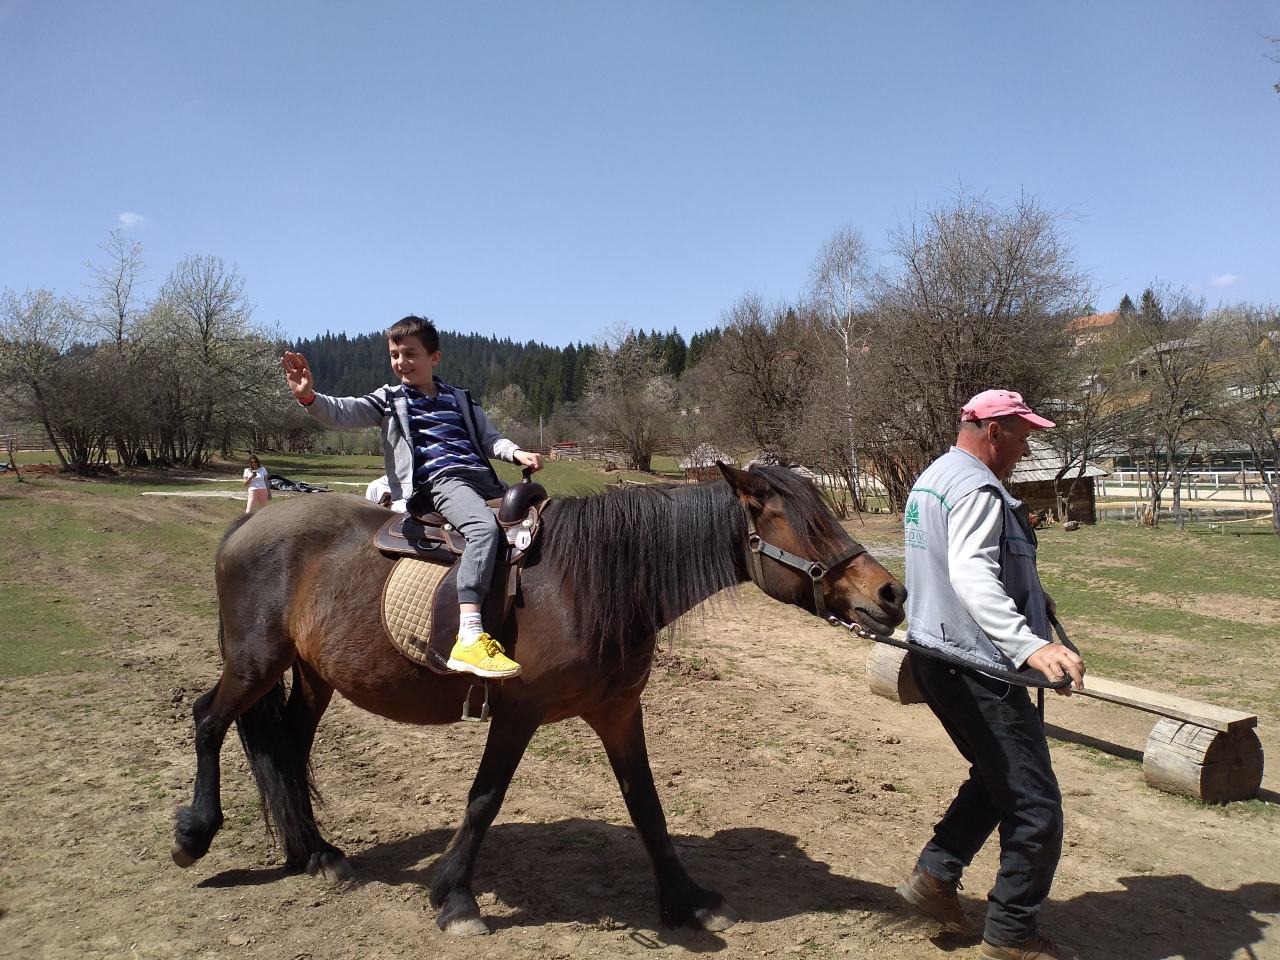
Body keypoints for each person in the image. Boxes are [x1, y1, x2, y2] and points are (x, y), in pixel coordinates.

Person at [895, 389, 1086, 960]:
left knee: (996, 774)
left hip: (935, 655)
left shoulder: (935, 478)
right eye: (1023, 437)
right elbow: (972, 573)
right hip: (976, 666)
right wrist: (1031, 646)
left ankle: (935, 875)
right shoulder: (978, 488)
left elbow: (955, 564)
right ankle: (1012, 934)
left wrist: (1029, 593)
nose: (1026, 450)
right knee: (1035, 805)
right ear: (994, 431)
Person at [281, 315, 543, 680]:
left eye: (410, 354)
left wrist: (516, 453)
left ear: (434, 357)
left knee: (537, 525)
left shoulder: (460, 399)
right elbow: (343, 412)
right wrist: (309, 396)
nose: (401, 362)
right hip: (441, 483)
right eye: (395, 355)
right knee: (483, 530)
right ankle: (469, 636)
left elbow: (489, 439)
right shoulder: (390, 400)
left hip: (486, 482)